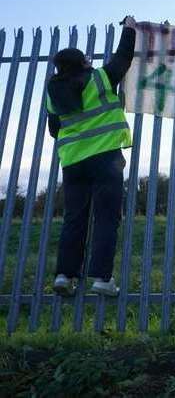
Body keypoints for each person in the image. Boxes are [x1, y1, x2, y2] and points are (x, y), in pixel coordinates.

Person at [48, 15, 137, 297]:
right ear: (84, 63)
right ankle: (101, 279)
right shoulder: (99, 78)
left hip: (73, 163)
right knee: (107, 218)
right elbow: (123, 58)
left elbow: (54, 130)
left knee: (74, 219)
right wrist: (130, 29)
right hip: (105, 160)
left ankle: (64, 276)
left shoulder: (54, 91)